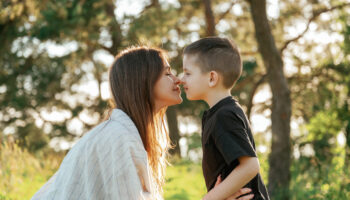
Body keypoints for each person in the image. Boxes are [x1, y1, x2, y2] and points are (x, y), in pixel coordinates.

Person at [31, 46, 253, 200]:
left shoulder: (127, 134)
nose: (177, 79)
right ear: (143, 82)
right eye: (167, 73)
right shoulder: (116, 138)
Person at [181, 37, 270, 200]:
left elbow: (250, 165)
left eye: (188, 73)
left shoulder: (224, 115)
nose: (181, 79)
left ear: (212, 78)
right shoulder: (217, 114)